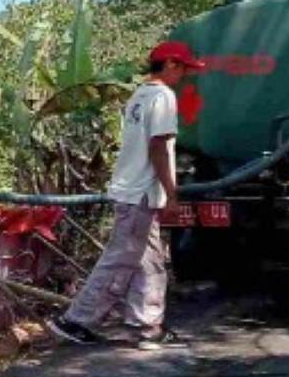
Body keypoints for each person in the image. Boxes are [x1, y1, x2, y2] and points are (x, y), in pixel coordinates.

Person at [48, 41, 205, 350]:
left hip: (133, 191)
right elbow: (158, 147)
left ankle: (146, 327)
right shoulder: (162, 97)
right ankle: (77, 320)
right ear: (171, 64)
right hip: (140, 193)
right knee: (119, 260)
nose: (186, 75)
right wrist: (172, 196)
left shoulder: (138, 96)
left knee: (149, 262)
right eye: (184, 68)